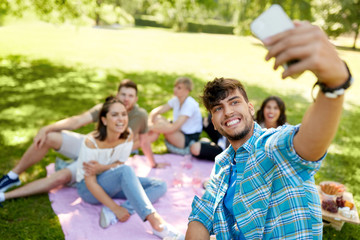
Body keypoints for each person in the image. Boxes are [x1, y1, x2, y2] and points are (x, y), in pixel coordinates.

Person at [186, 21, 352, 239]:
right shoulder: (222, 165)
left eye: (234, 102)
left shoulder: (272, 144)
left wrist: (333, 85)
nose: (227, 112)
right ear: (214, 124)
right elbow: (201, 216)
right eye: (218, 108)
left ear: (251, 108)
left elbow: (307, 146)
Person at [0, 79, 167, 197]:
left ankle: (7, 196)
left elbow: (144, 142)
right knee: (49, 137)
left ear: (136, 99)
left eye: (130, 96)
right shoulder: (105, 108)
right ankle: (13, 176)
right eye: (123, 94)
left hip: (102, 159)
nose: (126, 99)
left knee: (60, 178)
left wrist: (153, 163)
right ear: (117, 94)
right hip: (89, 144)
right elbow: (77, 121)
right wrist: (46, 128)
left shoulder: (141, 115)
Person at [75, 97, 183, 239]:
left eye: (123, 114)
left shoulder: (128, 135)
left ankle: (113, 213)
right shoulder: (91, 142)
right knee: (126, 171)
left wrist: (102, 167)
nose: (121, 119)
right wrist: (115, 206)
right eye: (114, 115)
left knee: (159, 185)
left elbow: (118, 165)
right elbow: (90, 182)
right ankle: (156, 222)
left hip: (112, 182)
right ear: (104, 120)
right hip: (88, 190)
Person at [148, 77, 203, 155]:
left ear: (187, 91)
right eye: (175, 86)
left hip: (188, 138)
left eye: (179, 88)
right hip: (178, 131)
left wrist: (151, 128)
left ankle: (142, 141)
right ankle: (143, 141)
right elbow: (157, 111)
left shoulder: (190, 104)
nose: (175, 89)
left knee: (164, 129)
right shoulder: (176, 100)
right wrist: (150, 122)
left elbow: (173, 127)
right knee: (157, 119)